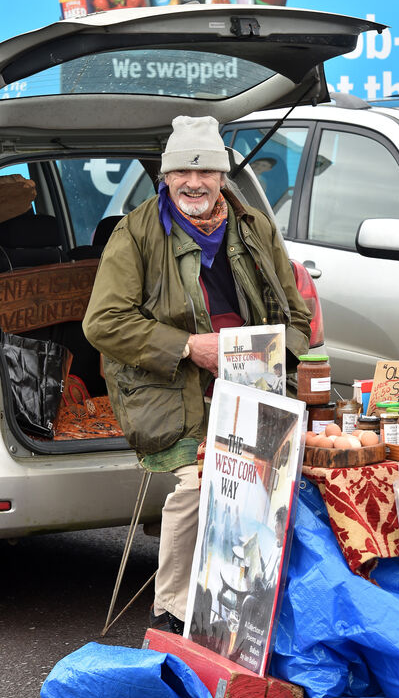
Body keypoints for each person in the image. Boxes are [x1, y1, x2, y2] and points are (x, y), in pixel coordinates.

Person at [83, 116, 311, 635]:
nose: (194, 182)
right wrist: (189, 346)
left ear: (222, 177)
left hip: (253, 385)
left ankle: (259, 606)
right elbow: (102, 322)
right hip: (170, 392)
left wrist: (276, 356)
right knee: (199, 482)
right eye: (182, 172)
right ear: (165, 179)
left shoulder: (253, 226)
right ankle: (172, 609)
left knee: (286, 478)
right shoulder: (136, 233)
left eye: (206, 170)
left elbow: (297, 316)